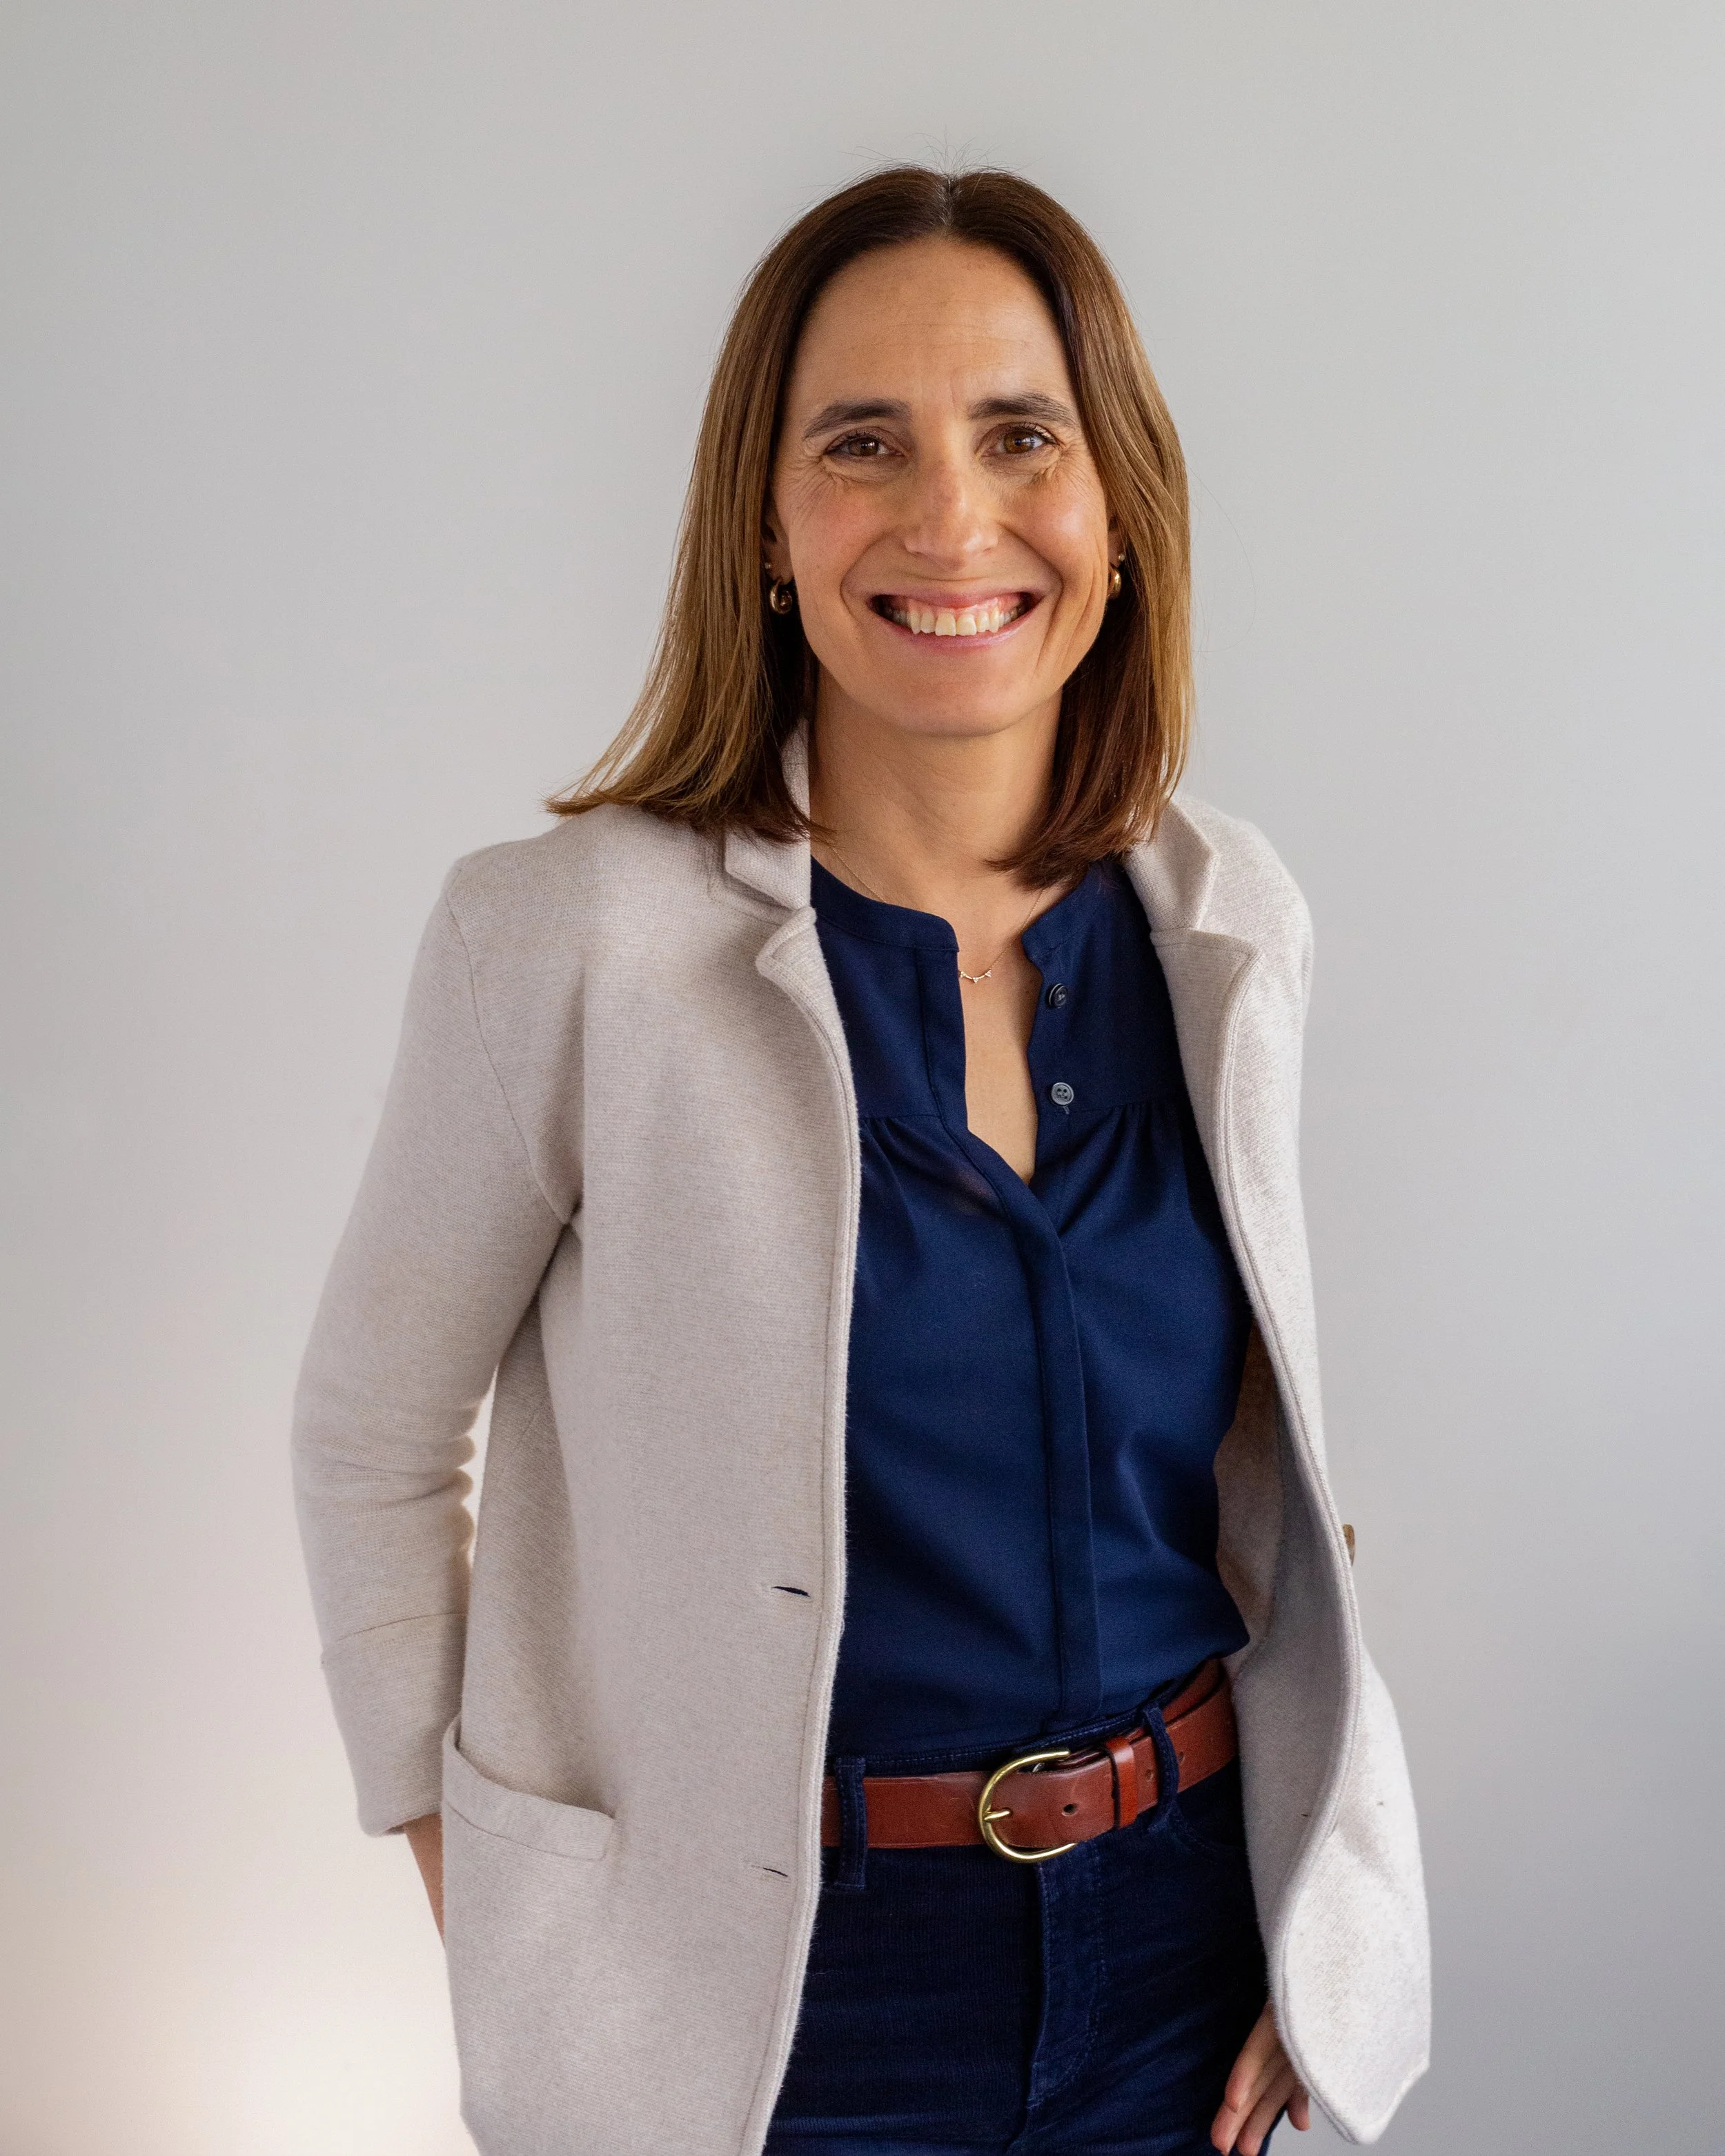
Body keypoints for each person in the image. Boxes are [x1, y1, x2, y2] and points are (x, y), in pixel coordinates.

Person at [293, 165, 1429, 2156]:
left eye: (1020, 436)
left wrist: (1295, 1899)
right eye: (861, 445)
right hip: (770, 1999)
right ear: (764, 522)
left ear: (1117, 509)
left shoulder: (1224, 917)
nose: (949, 517)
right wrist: (502, 1907)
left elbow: (1250, 1478)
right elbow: (369, 1438)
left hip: (1178, 1944)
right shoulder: (568, 938)